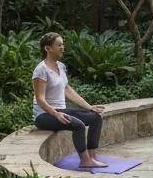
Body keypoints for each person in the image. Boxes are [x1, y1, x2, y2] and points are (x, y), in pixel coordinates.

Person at [32, 32, 107, 169]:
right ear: (48, 49)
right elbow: (40, 99)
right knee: (77, 124)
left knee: (96, 118)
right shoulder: (41, 70)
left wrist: (89, 107)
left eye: (63, 44)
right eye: (59, 45)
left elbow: (67, 90)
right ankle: (85, 161)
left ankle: (92, 156)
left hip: (61, 110)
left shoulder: (61, 66)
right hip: (44, 115)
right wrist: (56, 114)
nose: (62, 47)